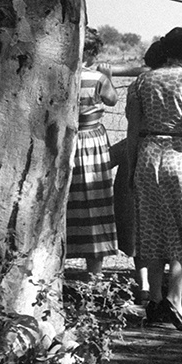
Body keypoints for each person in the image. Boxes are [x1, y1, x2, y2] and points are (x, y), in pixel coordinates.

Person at [127, 27, 182, 331]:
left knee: (151, 228)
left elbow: (133, 130)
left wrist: (134, 166)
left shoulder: (142, 81)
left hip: (148, 155)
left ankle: (155, 299)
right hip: (179, 153)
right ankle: (175, 301)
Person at [67, 27, 119, 276]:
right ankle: (94, 273)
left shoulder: (62, 75)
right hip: (92, 144)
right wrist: (107, 77)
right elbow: (112, 99)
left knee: (69, 201)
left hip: (67, 142)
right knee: (95, 201)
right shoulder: (96, 78)